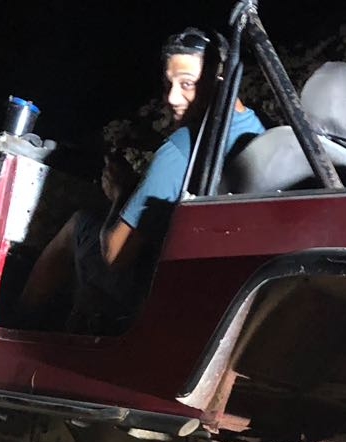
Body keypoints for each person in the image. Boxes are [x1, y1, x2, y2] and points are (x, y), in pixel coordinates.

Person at [16, 27, 264, 330]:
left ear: (221, 81)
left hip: (157, 290)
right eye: (169, 83)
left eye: (187, 84)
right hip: (217, 281)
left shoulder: (181, 149)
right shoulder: (254, 127)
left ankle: (17, 326)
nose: (172, 97)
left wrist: (122, 193)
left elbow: (114, 256)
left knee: (78, 226)